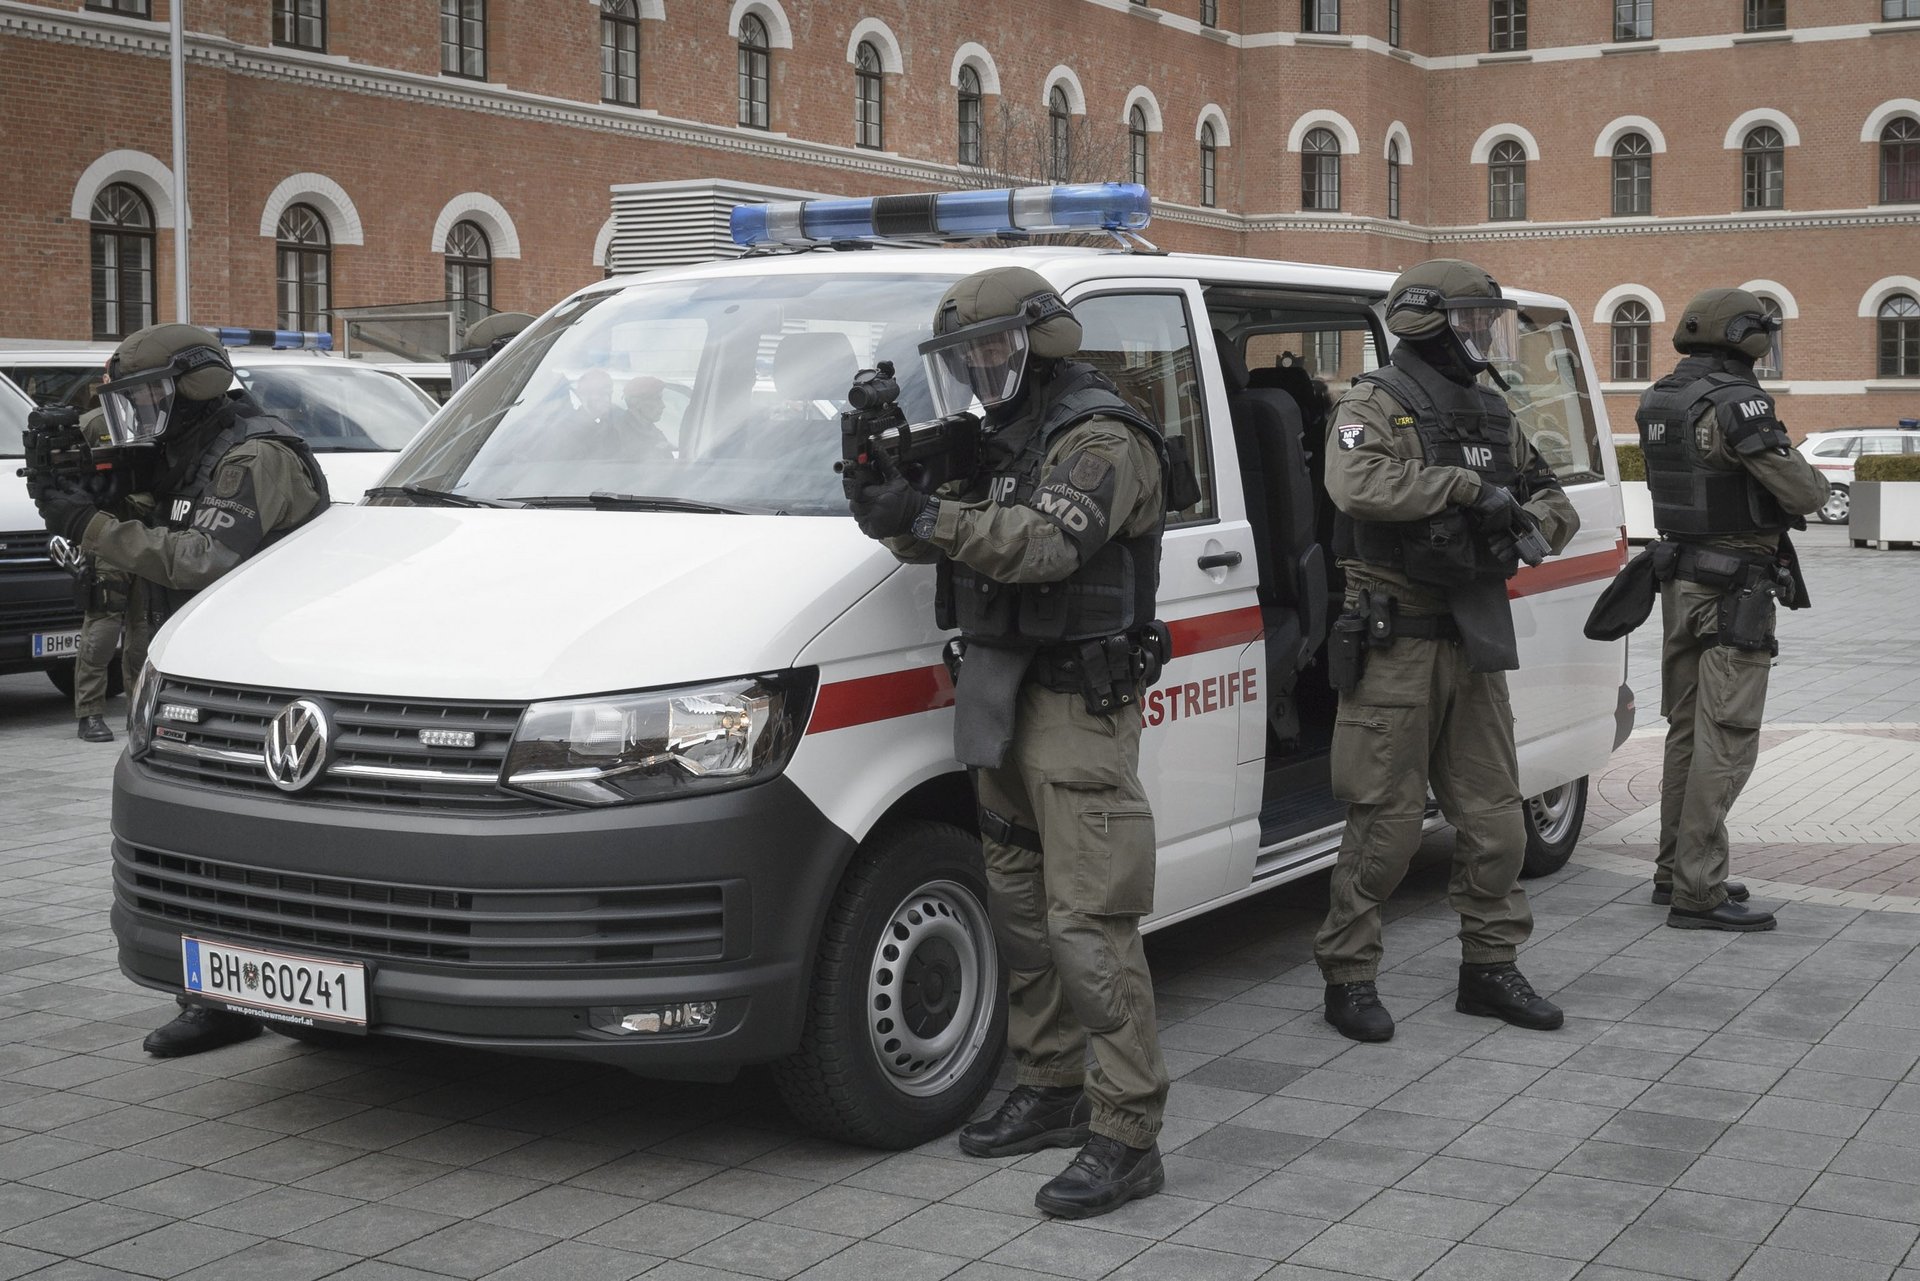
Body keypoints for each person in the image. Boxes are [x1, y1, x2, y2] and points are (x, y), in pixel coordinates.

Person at [845, 267, 1174, 1220]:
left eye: (990, 350)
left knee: (1089, 922)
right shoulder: (995, 436)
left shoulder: (1100, 435)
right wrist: (883, 491)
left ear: (1042, 342)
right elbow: (940, 538)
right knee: (1022, 911)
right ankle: (1050, 1085)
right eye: (963, 359)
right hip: (1000, 694)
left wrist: (927, 514)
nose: (979, 370)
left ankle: (1127, 1130)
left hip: (1078, 705)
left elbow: (1043, 544)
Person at [35, 323, 331, 1057]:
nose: (139, 417)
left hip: (262, 688)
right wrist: (100, 484)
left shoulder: (252, 455)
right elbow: (162, 526)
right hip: (195, 681)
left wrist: (91, 520)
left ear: (193, 385)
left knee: (263, 850)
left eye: (146, 399)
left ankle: (302, 987)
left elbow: (202, 557)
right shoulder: (186, 457)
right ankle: (212, 993)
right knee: (196, 847)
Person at [1312, 259, 1581, 1044]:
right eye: (1467, 322)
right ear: (1425, 322)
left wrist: (1523, 524)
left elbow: (1551, 500)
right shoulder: (1374, 402)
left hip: (1472, 635)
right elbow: (1356, 484)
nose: (1479, 337)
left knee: (1498, 823)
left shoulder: (1493, 413)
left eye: (1484, 323)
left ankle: (1489, 967)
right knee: (1385, 828)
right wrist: (1463, 492)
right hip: (1396, 639)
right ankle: (1348, 971)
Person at [1636, 288, 1827, 931]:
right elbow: (1802, 491)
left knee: (1688, 730)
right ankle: (1699, 890)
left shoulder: (1661, 396)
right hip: (1734, 590)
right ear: (1745, 335)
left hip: (1680, 581)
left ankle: (1674, 871)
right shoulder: (1738, 401)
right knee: (1728, 736)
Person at [64, 407, 131, 743]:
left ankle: (140, 712)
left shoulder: (168, 415)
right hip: (109, 533)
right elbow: (73, 480)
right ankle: (90, 713)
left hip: (154, 531)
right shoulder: (93, 424)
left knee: (146, 631)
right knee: (103, 628)